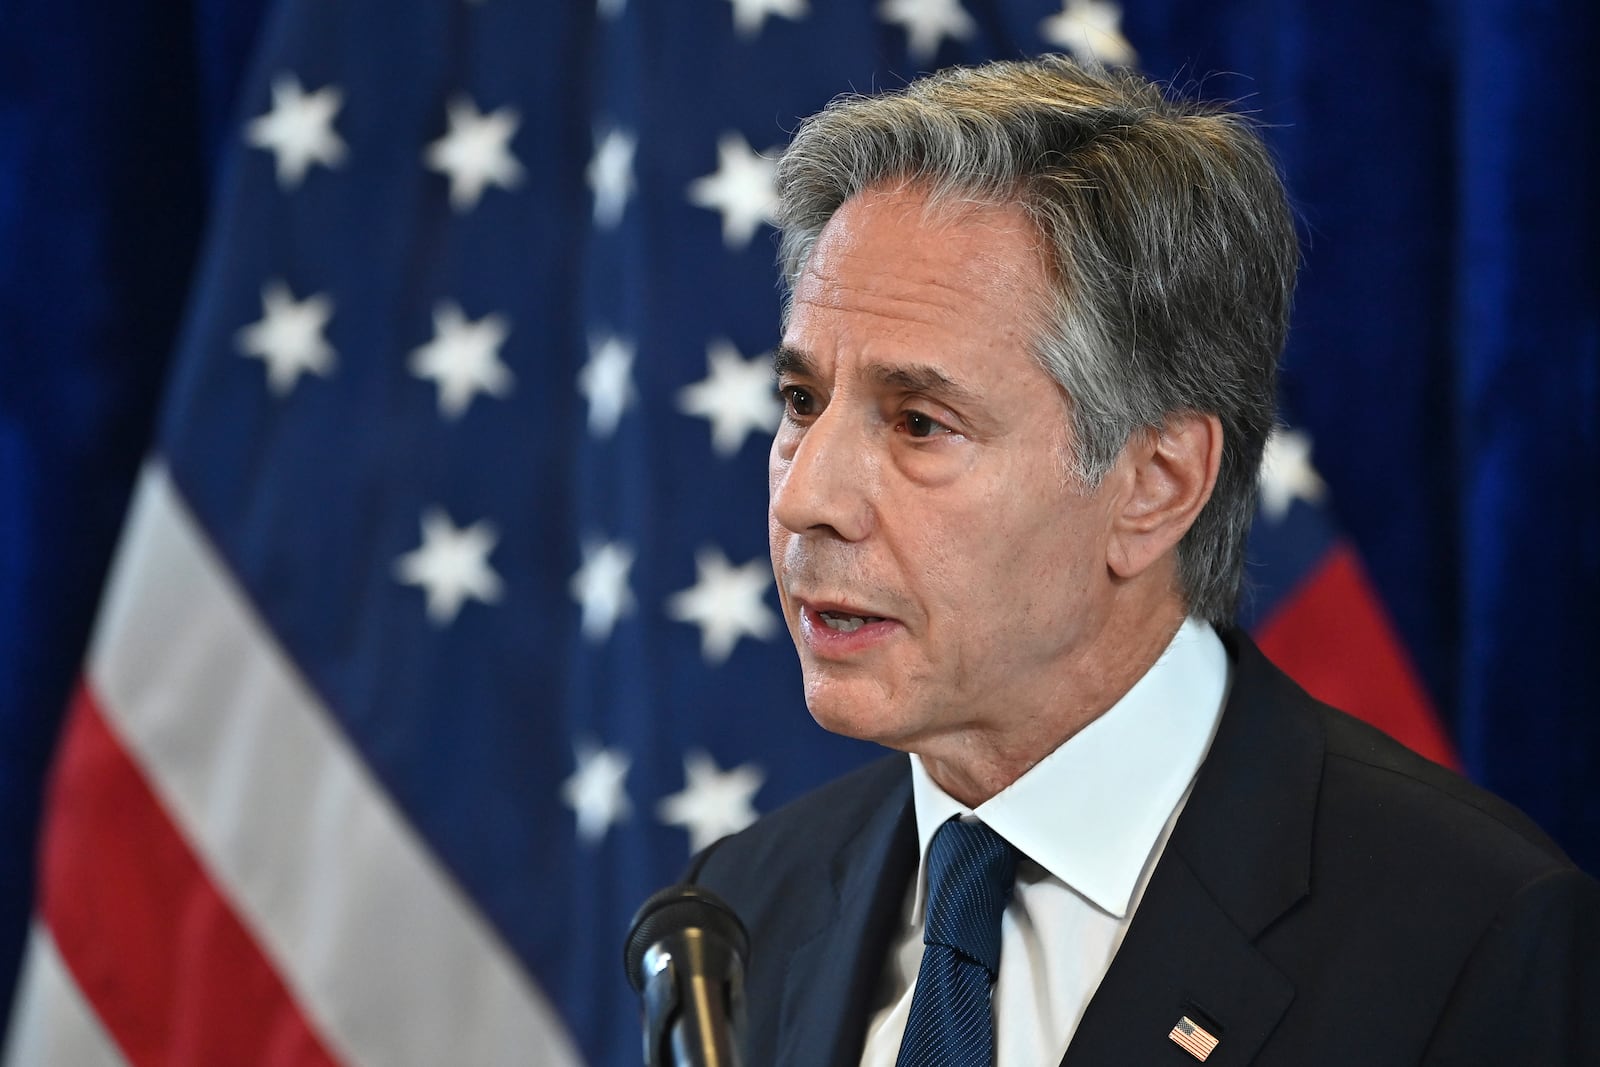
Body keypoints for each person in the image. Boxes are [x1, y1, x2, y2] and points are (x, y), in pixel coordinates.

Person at [680, 56, 1599, 1065]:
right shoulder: (735, 908)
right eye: (801, 401)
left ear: (1157, 483)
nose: (805, 496)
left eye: (919, 422)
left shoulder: (1468, 938)